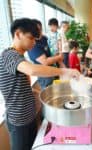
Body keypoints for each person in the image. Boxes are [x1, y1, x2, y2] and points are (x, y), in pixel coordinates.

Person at [0, 18, 80, 150]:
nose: (34, 42)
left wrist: (38, 93)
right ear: (18, 34)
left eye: (35, 38)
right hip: (18, 119)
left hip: (29, 116)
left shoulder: (20, 57)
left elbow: (18, 86)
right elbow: (33, 69)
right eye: (31, 38)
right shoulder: (9, 55)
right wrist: (65, 71)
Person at [28, 19, 63, 89]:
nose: (38, 32)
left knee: (56, 88)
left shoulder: (44, 38)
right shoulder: (32, 45)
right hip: (44, 75)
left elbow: (50, 53)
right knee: (48, 92)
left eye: (40, 29)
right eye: (35, 31)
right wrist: (59, 57)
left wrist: (59, 60)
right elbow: (45, 61)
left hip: (52, 69)